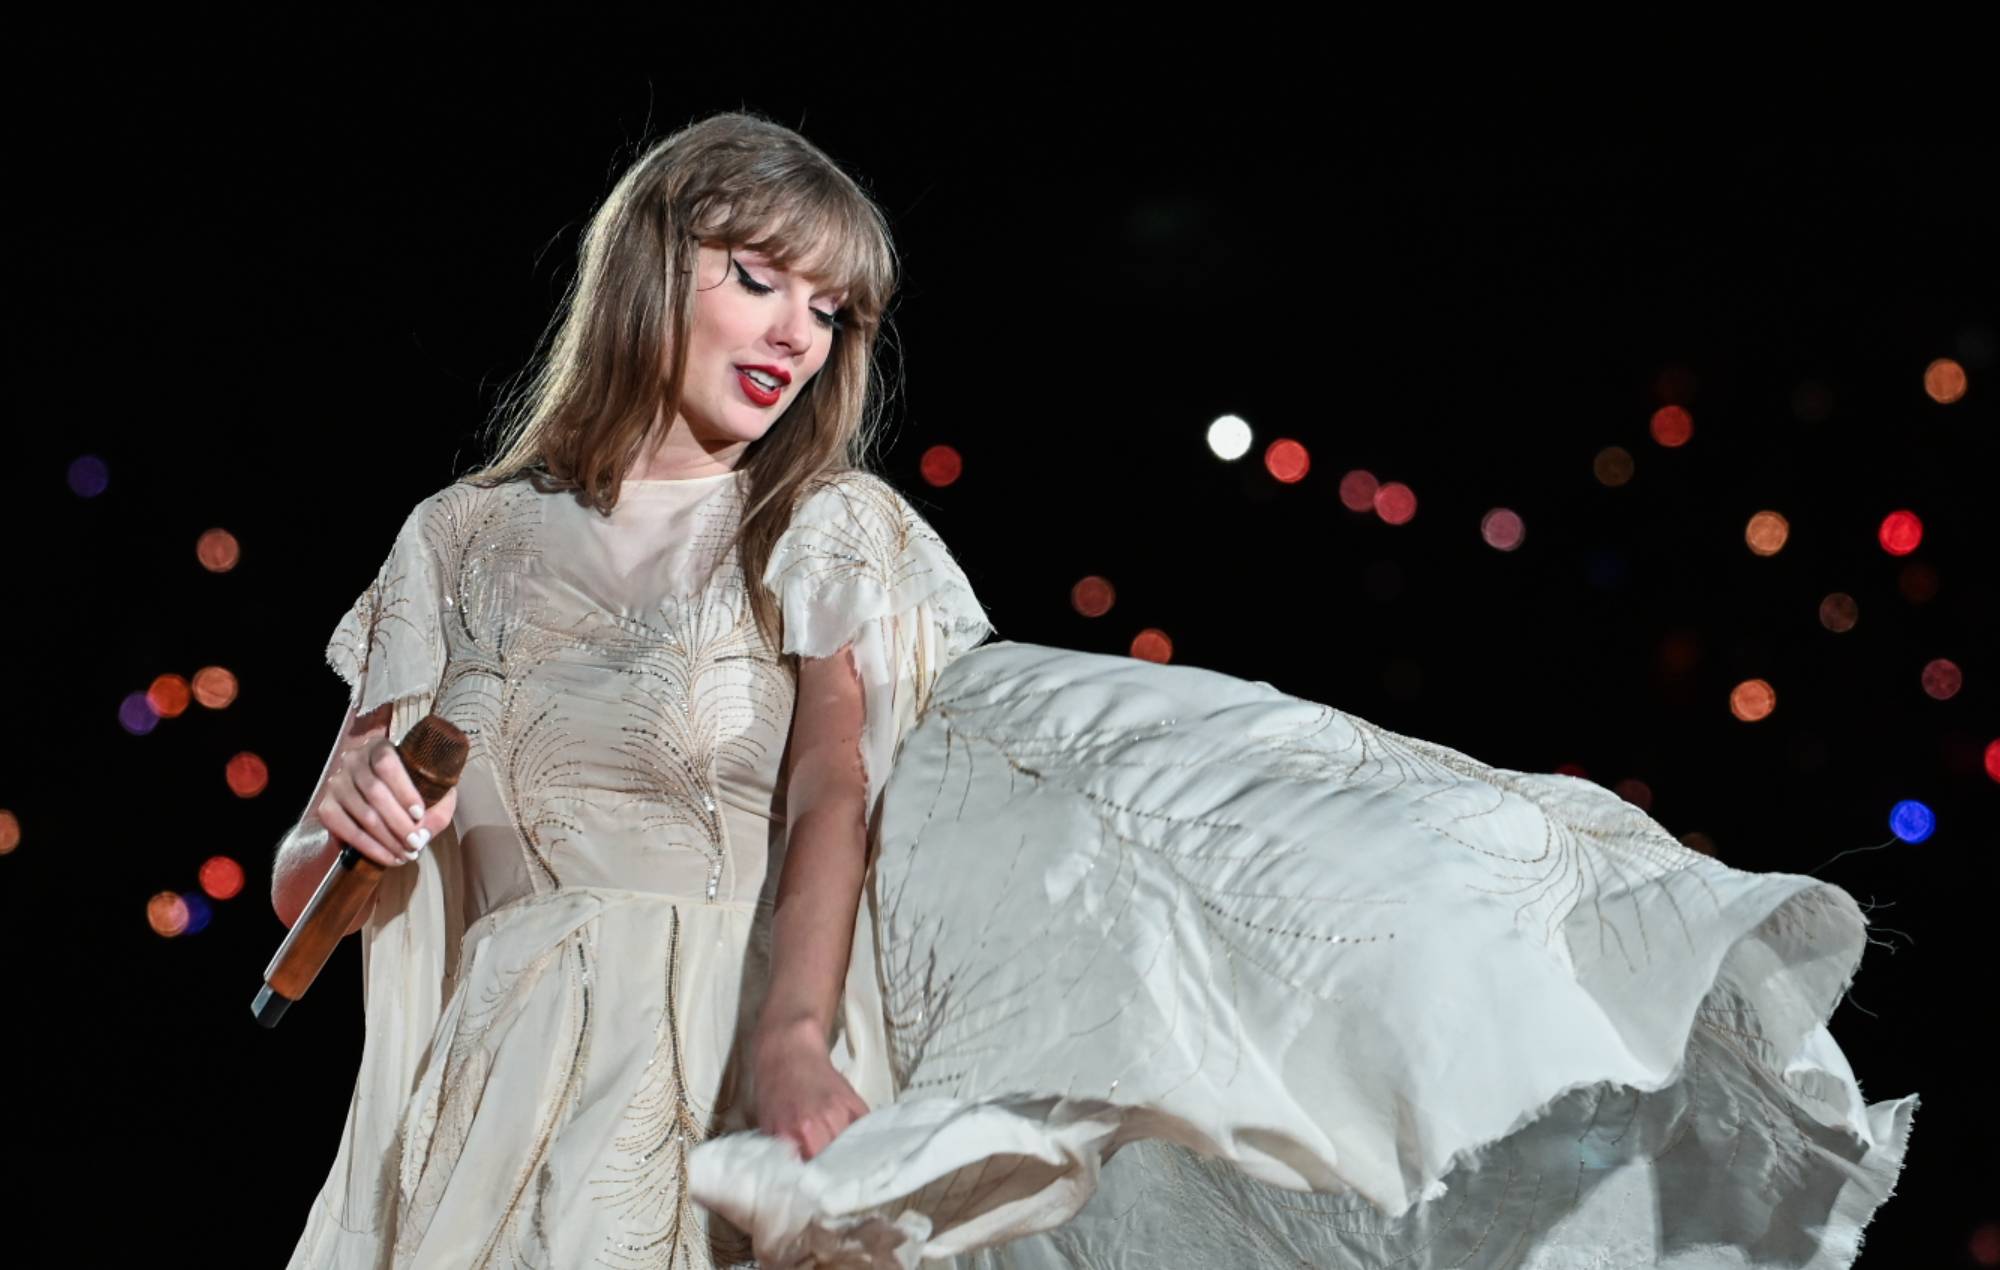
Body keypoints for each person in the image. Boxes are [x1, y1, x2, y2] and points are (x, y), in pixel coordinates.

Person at [279, 110, 1915, 1270]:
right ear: (653, 260)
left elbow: (831, 796)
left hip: (712, 1048)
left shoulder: (824, 524)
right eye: (758, 274)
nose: (797, 332)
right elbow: (312, 892)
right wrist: (339, 823)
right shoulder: (461, 538)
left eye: (831, 305)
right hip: (489, 1086)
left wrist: (788, 1039)